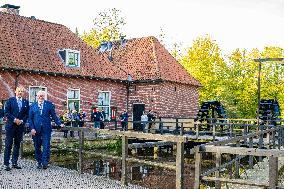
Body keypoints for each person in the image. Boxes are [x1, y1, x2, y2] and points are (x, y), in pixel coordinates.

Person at [29, 90, 64, 169]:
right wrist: (32, 128)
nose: (40, 97)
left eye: (42, 95)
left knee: (46, 146)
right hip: (36, 130)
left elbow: (53, 115)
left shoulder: (49, 104)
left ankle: (45, 162)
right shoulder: (32, 106)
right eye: (39, 96)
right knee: (37, 146)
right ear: (36, 97)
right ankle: (39, 162)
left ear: (44, 96)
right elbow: (30, 119)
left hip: (46, 129)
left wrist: (59, 123)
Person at [4, 87, 29, 171]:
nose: (20, 92)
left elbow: (27, 114)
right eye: (19, 91)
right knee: (8, 145)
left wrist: (21, 120)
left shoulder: (26, 102)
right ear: (15, 92)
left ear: (23, 93)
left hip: (20, 127)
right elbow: (6, 112)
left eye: (21, 91)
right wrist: (15, 119)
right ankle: (6, 164)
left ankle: (14, 162)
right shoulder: (10, 100)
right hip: (11, 126)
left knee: (17, 145)